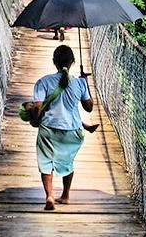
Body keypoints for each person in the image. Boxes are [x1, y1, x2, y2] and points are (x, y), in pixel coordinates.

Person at [30, 45, 97, 210]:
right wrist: (85, 83)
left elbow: (37, 106)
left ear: (54, 62)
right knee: (68, 161)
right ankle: (66, 195)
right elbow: (89, 107)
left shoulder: (43, 82)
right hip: (72, 131)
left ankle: (50, 196)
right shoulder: (79, 83)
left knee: (46, 161)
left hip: (49, 129)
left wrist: (35, 119)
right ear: (73, 62)